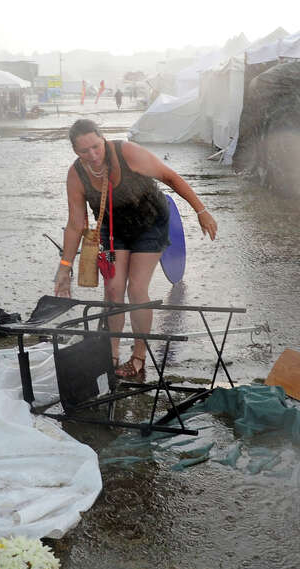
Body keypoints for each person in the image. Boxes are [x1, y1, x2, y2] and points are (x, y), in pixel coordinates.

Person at [55, 119, 217, 381]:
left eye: (96, 146)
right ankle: (112, 351)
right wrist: (65, 267)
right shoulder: (77, 175)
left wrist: (201, 211)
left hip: (150, 224)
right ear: (75, 151)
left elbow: (170, 177)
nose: (93, 155)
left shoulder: (127, 153)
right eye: (84, 151)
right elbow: (75, 224)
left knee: (136, 288)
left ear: (103, 139)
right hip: (112, 229)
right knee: (113, 289)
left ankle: (139, 356)